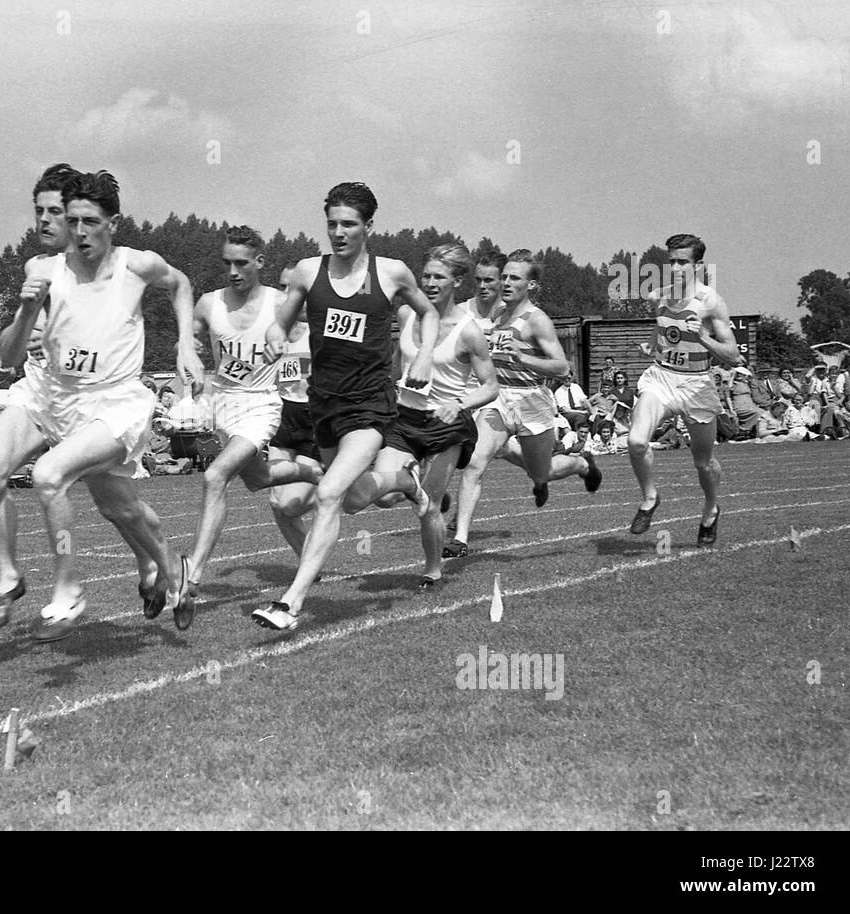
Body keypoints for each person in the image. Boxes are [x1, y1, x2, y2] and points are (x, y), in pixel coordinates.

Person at [0, 163, 190, 635]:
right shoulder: (43, 270)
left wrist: (186, 344)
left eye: (88, 221)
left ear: (113, 223)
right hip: (55, 398)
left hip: (115, 403)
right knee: (113, 506)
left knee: (52, 476)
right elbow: (8, 357)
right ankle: (169, 572)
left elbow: (180, 285)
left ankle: (70, 592)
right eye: (69, 221)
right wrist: (29, 308)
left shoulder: (138, 265)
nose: (76, 231)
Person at [251, 182, 440, 631]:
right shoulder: (306, 272)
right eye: (332, 224)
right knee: (354, 500)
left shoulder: (391, 272)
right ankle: (405, 480)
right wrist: (275, 340)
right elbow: (280, 325)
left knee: (331, 494)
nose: (338, 233)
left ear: (368, 226)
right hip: (324, 404)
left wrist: (426, 353)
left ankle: (291, 603)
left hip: (370, 404)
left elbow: (428, 313)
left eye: (348, 225)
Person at [173, 228, 323, 626]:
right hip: (223, 407)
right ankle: (316, 472)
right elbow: (186, 341)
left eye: (242, 263)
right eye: (227, 263)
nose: (234, 271)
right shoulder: (209, 304)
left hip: (263, 406)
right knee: (257, 480)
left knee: (215, 475)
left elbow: (324, 321)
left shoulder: (280, 303)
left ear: (260, 262)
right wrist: (190, 360)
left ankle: (194, 574)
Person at [343, 243, 498, 590]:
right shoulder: (406, 315)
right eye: (425, 275)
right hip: (404, 418)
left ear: (457, 281)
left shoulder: (469, 331)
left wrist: (459, 403)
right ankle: (408, 481)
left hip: (445, 426)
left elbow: (491, 387)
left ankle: (432, 570)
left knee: (428, 508)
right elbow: (399, 365)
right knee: (382, 496)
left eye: (438, 277)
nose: (429, 283)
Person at [442, 250, 602, 557]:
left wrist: (523, 356)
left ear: (531, 285)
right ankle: (459, 539)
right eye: (505, 276)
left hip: (532, 402)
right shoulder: (498, 316)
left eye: (514, 277)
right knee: (476, 462)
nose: (506, 282)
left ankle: (582, 464)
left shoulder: (537, 321)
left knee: (541, 474)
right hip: (499, 399)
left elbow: (562, 368)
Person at [627, 233, 739, 546]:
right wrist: (651, 346)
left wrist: (703, 338)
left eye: (683, 262)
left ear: (699, 265)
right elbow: (662, 330)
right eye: (671, 261)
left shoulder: (710, 302)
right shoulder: (660, 296)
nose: (675, 267)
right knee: (635, 441)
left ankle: (710, 509)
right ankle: (650, 498)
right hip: (661, 378)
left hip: (697, 385)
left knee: (703, 462)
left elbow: (733, 356)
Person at [265, 263, 319, 559]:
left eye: (292, 288)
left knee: (290, 504)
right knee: (276, 501)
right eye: (282, 287)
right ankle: (310, 564)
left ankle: (337, 486)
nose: (287, 295)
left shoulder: (320, 332)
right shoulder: (273, 334)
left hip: (314, 419)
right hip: (284, 419)